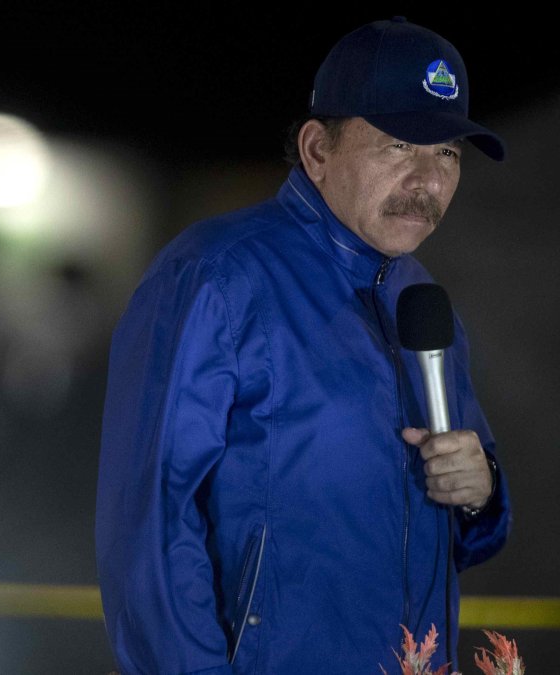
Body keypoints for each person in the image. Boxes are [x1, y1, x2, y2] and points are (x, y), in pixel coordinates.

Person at [96, 18, 510, 673]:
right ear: (318, 148)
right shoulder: (217, 275)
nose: (428, 182)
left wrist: (480, 489)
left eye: (449, 155)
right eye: (401, 145)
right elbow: (149, 525)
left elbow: (465, 526)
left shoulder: (421, 297)